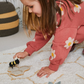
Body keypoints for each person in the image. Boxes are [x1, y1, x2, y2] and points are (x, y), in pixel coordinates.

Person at [13, 0, 84, 78]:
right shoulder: (50, 10)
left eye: (31, 6)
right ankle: (70, 41)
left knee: (66, 36)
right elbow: (42, 35)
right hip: (75, 24)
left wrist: (53, 66)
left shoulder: (64, 15)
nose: (29, 11)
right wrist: (27, 51)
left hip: (76, 25)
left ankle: (71, 42)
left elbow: (61, 43)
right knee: (66, 33)